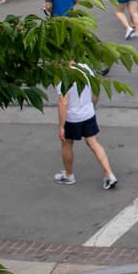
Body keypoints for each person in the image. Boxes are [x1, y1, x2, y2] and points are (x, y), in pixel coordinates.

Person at [53, 62, 117, 190]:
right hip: (88, 113)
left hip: (72, 117)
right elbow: (96, 90)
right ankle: (109, 174)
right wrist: (92, 105)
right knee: (93, 142)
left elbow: (63, 103)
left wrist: (61, 126)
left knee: (67, 143)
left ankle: (69, 175)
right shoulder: (85, 67)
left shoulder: (62, 78)